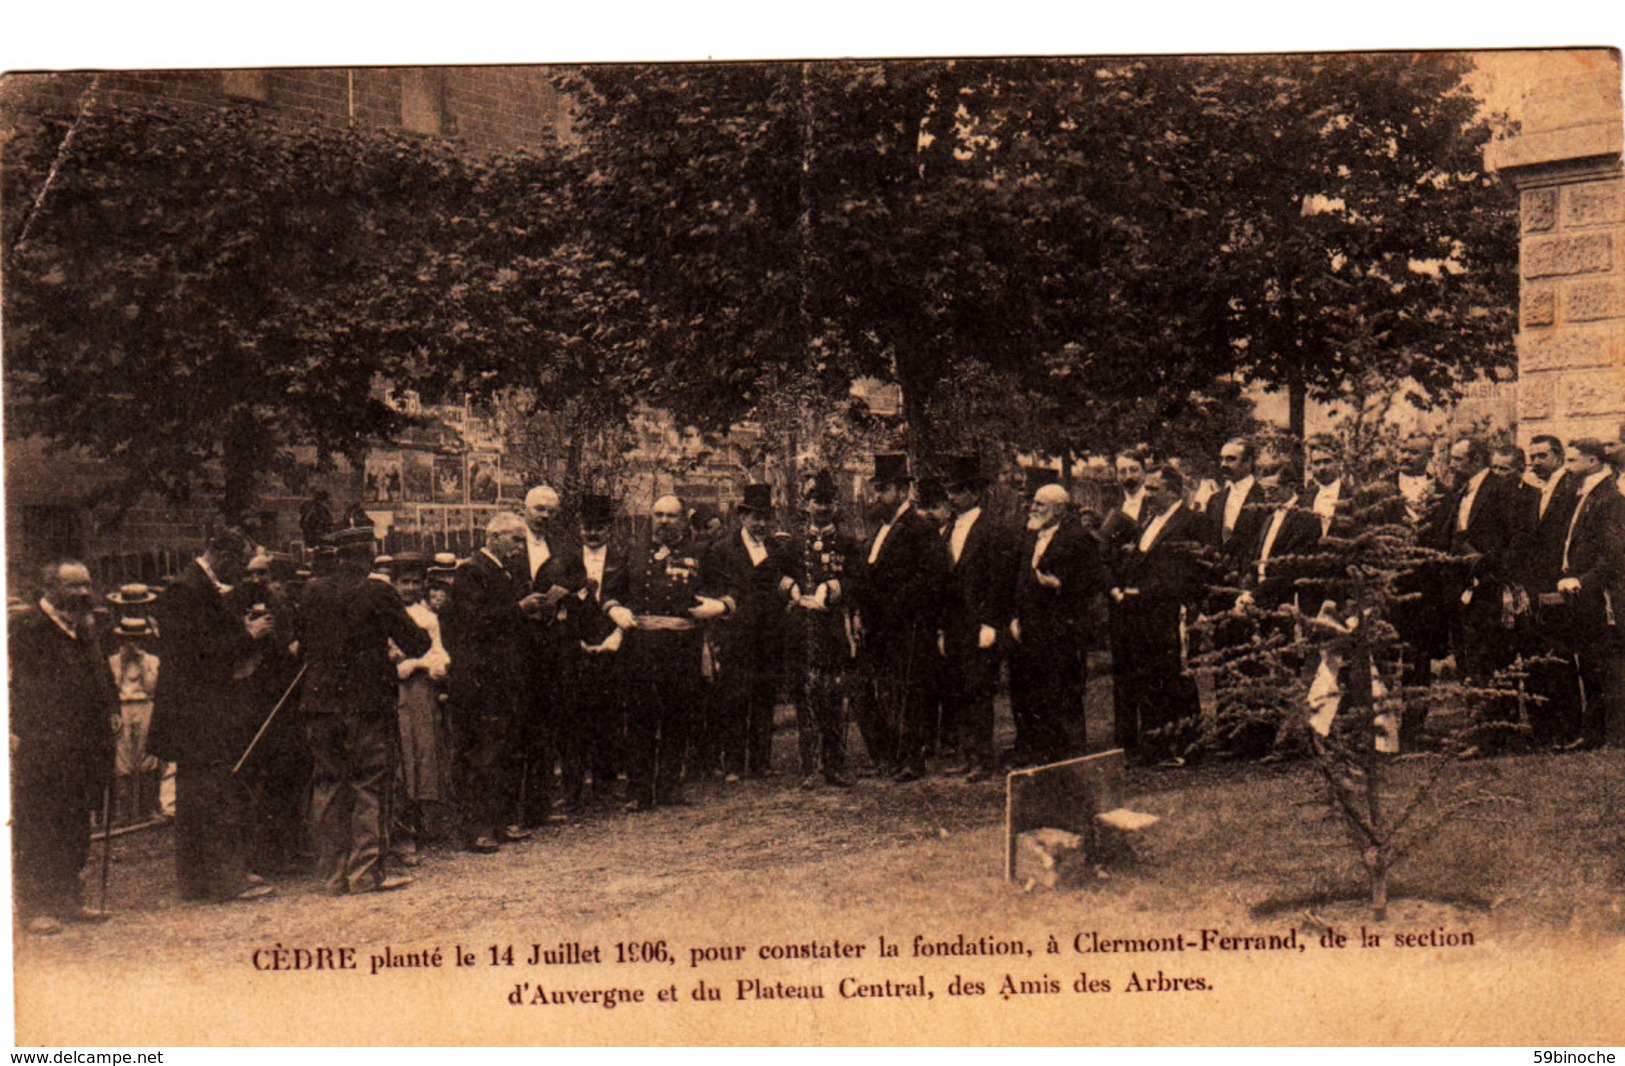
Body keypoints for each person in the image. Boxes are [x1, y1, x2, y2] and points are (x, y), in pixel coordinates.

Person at [297, 526, 429, 894]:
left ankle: (331, 875)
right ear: (369, 554)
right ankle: (365, 873)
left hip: (320, 706)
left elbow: (302, 641)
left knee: (328, 785)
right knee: (370, 785)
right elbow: (417, 642)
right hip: (367, 706)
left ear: (339, 556)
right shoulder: (377, 592)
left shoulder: (311, 591)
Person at [147, 527, 276, 904]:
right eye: (238, 562)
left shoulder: (194, 587)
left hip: (195, 712)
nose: (240, 572)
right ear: (220, 554)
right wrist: (248, 636)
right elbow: (199, 653)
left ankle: (197, 881)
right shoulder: (187, 591)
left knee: (194, 797)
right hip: (198, 713)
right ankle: (224, 881)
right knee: (214, 793)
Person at [10, 560, 120, 935]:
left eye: (87, 585)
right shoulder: (27, 628)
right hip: (45, 746)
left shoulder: (86, 628)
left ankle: (69, 899)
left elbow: (103, 676)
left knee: (75, 823)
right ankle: (37, 906)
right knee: (42, 824)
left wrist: (113, 710)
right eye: (74, 587)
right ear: (50, 588)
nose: (84, 593)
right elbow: (26, 691)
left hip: (85, 746)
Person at [602, 495, 730, 810]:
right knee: (641, 718)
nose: (663, 521)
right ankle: (638, 791)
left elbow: (729, 590)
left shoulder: (701, 553)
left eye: (671, 516)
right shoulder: (634, 552)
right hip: (642, 646)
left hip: (682, 646)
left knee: (678, 716)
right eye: (658, 515)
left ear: (683, 520)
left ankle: (670, 787)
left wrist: (719, 606)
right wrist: (614, 609)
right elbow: (610, 592)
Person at [852, 454, 949, 781]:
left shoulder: (921, 529)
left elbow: (931, 577)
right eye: (877, 490)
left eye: (884, 489)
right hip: (880, 628)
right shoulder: (881, 528)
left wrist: (895, 604)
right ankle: (890, 755)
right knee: (887, 691)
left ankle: (912, 759)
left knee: (911, 692)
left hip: (908, 626)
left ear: (903, 489)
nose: (878, 496)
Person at [441, 513, 534, 853]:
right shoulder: (472, 571)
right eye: (515, 539)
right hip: (480, 678)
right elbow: (473, 621)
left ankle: (499, 820)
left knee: (503, 747)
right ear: (494, 538)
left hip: (503, 676)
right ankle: (477, 827)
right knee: (480, 751)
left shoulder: (505, 572)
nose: (520, 547)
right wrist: (519, 609)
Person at [1109, 465, 1204, 765]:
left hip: (1171, 610)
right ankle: (1155, 746)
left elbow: (1188, 570)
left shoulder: (1191, 522)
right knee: (1150, 678)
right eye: (1147, 489)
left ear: (1173, 491)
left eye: (1154, 489)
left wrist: (1145, 592)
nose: (1147, 494)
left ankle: (1185, 745)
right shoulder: (1150, 520)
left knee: (1174, 676)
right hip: (1144, 613)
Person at [704, 483, 797, 780]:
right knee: (735, 698)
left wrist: (788, 586)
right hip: (736, 636)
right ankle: (733, 763)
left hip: (769, 636)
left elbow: (789, 583)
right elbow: (712, 591)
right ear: (743, 516)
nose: (761, 523)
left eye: (766, 517)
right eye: (755, 517)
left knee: (764, 695)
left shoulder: (778, 549)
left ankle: (760, 761)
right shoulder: (722, 550)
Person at [1008, 483, 1103, 767]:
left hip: (1061, 629)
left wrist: (1060, 584)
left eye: (1041, 504)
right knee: (1027, 689)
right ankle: (1032, 746)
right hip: (1027, 628)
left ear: (1060, 509)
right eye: (1033, 503)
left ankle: (1063, 752)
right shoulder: (1028, 536)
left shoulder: (1078, 539)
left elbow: (1092, 581)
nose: (1033, 508)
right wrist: (1014, 616)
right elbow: (1017, 581)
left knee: (1060, 689)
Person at [515, 485, 587, 830]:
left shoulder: (564, 548)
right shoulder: (509, 541)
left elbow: (581, 582)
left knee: (555, 720)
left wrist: (565, 594)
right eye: (539, 509)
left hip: (555, 646)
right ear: (524, 508)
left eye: (551, 511)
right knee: (526, 725)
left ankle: (552, 799)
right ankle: (523, 803)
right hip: (520, 643)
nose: (544, 516)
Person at [786, 471, 862, 789]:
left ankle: (834, 765)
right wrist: (788, 585)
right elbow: (773, 575)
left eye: (828, 502)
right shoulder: (792, 543)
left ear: (836, 505)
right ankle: (810, 768)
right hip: (803, 631)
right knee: (807, 697)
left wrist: (836, 587)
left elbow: (859, 581)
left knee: (833, 697)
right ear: (807, 504)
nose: (823, 508)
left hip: (832, 630)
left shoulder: (847, 543)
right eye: (818, 501)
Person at [939, 455, 1013, 780]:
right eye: (950, 491)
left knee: (979, 690)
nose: (951, 497)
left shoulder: (991, 529)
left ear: (973, 492)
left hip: (979, 622)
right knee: (958, 690)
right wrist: (942, 626)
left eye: (957, 491)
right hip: (954, 624)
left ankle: (984, 757)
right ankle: (967, 755)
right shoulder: (949, 529)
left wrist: (991, 623)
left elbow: (999, 581)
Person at [1554, 439, 1625, 750]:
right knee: (1592, 663)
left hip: (1601, 596)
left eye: (1572, 461)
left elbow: (1614, 556)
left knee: (1605, 664)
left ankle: (1608, 734)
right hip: (1586, 593)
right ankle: (1596, 732)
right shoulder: (1587, 495)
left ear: (1593, 462)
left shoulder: (1609, 499)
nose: (1566, 467)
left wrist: (1582, 582)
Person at [1518, 434, 1583, 748]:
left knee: (1559, 658)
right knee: (1536, 657)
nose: (1535, 462)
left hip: (1557, 585)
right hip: (1533, 587)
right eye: (1532, 457)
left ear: (1558, 457)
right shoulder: (1533, 491)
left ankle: (1567, 728)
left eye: (1542, 456)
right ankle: (1542, 729)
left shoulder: (1570, 489)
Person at [566, 494, 628, 810]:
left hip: (611, 646)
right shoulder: (567, 560)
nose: (592, 534)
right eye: (587, 528)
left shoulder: (623, 559)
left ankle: (604, 785)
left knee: (608, 716)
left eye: (598, 528)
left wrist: (616, 636)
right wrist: (573, 640)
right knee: (575, 720)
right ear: (579, 528)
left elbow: (631, 604)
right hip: (576, 648)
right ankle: (573, 788)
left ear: (609, 529)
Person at [390, 552, 453, 864]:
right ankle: (395, 833)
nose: (410, 588)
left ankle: (416, 827)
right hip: (391, 692)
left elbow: (439, 655)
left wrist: (418, 662)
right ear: (393, 583)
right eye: (404, 582)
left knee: (420, 755)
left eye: (416, 582)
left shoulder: (428, 617)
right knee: (397, 758)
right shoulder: (385, 612)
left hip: (418, 692)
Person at [104, 585, 162, 826]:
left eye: (137, 640)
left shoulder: (151, 660)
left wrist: (141, 661)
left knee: (148, 755)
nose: (132, 644)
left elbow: (151, 687)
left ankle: (149, 807)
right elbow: (111, 685)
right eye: (128, 639)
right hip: (123, 707)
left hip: (145, 705)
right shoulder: (114, 660)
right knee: (123, 758)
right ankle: (124, 812)